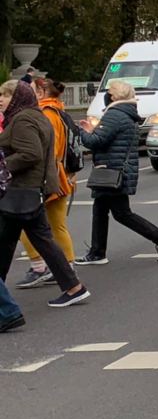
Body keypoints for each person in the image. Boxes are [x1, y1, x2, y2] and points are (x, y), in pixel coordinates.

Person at [0, 81, 88, 309]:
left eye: (5, 95)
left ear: (16, 97)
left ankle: (73, 288)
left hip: (20, 190)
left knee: (9, 242)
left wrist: (2, 164)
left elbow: (31, 154)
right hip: (30, 191)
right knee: (38, 241)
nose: (0, 99)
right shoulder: (35, 115)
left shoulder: (23, 119)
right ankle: (74, 287)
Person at [75, 79, 158, 266]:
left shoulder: (114, 115)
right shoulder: (127, 114)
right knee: (101, 209)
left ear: (113, 96)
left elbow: (97, 141)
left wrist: (83, 132)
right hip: (117, 168)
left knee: (121, 213)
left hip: (112, 170)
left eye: (109, 92)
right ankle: (97, 252)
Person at [13, 78, 77, 289]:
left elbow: (48, 148)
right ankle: (64, 268)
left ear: (40, 93)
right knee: (53, 225)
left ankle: (43, 267)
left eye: (31, 90)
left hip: (50, 176)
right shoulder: (58, 111)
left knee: (30, 225)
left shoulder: (46, 114)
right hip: (58, 174)